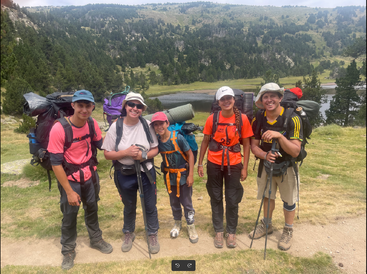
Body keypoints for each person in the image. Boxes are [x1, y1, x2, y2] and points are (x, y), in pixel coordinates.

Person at [48, 90, 113, 270]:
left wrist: (120, 131)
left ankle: (96, 239)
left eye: (88, 106)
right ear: (73, 106)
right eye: (80, 106)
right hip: (70, 179)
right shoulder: (59, 128)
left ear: (93, 107)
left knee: (92, 208)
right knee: (70, 215)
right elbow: (55, 163)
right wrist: (69, 191)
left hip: (90, 176)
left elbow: (102, 145)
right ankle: (68, 250)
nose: (84, 110)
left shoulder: (91, 124)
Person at [102, 92, 160, 254]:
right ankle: (128, 232)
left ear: (142, 109)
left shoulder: (147, 125)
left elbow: (155, 148)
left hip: (145, 172)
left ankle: (152, 233)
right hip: (125, 173)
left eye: (139, 106)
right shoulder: (116, 127)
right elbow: (107, 154)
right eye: (131, 105)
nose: (135, 108)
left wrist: (144, 156)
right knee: (129, 205)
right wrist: (126, 153)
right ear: (125, 106)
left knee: (149, 204)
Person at [248, 82, 303, 251]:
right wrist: (265, 155)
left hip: (287, 165)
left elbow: (295, 151)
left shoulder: (292, 117)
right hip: (267, 165)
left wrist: (279, 136)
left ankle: (288, 229)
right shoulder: (258, 117)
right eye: (265, 96)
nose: (269, 99)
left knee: (288, 199)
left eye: (273, 96)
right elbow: (254, 146)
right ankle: (267, 225)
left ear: (280, 98)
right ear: (261, 100)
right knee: (267, 196)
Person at [197, 86, 253, 248]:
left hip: (234, 164)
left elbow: (247, 144)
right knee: (215, 197)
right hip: (214, 164)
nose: (226, 101)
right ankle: (219, 231)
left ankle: (232, 232)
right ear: (218, 102)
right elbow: (206, 141)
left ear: (234, 100)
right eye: (223, 99)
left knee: (232, 198)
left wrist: (245, 167)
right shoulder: (211, 119)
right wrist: (200, 163)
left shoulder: (242, 119)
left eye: (229, 98)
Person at [151, 112, 199, 244]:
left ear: (167, 123)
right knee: (174, 202)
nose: (159, 127)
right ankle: (177, 223)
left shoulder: (178, 138)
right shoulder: (157, 141)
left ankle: (191, 226)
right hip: (169, 177)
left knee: (187, 202)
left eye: (161, 123)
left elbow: (190, 154)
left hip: (183, 176)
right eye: (156, 125)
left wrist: (190, 175)